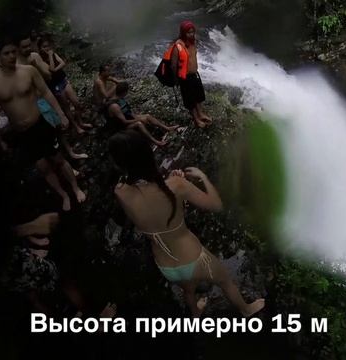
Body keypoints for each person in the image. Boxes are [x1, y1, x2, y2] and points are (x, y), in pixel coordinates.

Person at [109, 130, 264, 317]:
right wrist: (201, 178)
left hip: (166, 266)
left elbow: (152, 210)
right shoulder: (175, 185)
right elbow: (216, 205)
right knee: (225, 281)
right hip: (195, 259)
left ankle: (196, 313)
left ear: (120, 163)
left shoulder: (120, 191)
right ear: (148, 154)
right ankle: (246, 309)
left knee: (188, 290)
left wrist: (175, 187)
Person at [0, 37, 86, 211]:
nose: (11, 56)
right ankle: (63, 195)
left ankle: (76, 189)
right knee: (43, 166)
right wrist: (0, 139)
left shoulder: (28, 71)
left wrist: (61, 115)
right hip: (22, 132)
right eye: (6, 53)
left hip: (40, 124)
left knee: (58, 159)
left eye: (13, 52)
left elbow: (46, 92)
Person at [37, 35, 92, 133]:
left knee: (76, 102)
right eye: (44, 46)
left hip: (63, 80)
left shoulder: (54, 54)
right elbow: (51, 69)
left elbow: (62, 63)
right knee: (66, 106)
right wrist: (50, 57)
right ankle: (76, 127)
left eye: (48, 46)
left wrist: (56, 68)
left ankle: (81, 122)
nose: (47, 48)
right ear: (40, 48)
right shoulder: (41, 60)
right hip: (56, 85)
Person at [104, 81, 177, 146]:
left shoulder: (120, 98)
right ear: (124, 92)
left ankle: (167, 128)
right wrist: (138, 120)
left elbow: (129, 112)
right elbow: (124, 122)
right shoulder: (114, 106)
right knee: (139, 123)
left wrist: (136, 117)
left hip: (128, 118)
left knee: (147, 116)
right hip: (121, 127)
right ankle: (156, 141)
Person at [171, 20, 212, 128]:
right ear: (183, 32)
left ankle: (201, 113)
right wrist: (176, 79)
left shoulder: (193, 42)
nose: (191, 34)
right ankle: (196, 119)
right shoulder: (178, 46)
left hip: (194, 74)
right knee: (190, 99)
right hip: (184, 77)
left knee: (198, 95)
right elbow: (174, 65)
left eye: (192, 32)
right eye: (188, 32)